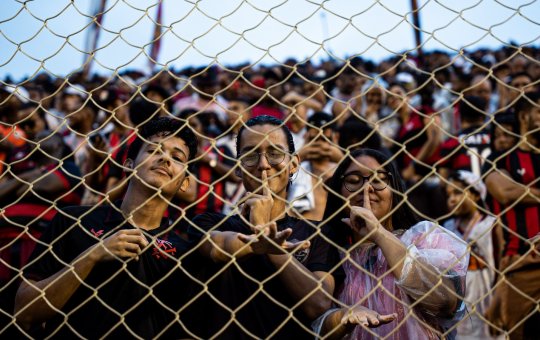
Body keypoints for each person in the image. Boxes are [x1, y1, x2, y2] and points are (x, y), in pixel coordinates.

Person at [14, 117, 201, 338]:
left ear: (185, 183)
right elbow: (24, 312)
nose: (165, 158)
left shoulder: (183, 253)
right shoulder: (74, 220)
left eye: (177, 157)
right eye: (153, 150)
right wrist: (92, 256)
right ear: (129, 164)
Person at [188, 115, 339, 339]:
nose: (263, 165)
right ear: (238, 168)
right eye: (250, 155)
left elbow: (318, 304)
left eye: (275, 154)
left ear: (294, 163)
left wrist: (267, 236)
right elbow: (216, 248)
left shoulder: (317, 233)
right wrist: (262, 236)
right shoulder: (210, 221)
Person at [315, 148, 468, 339]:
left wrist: (379, 233)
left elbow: (446, 302)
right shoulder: (327, 254)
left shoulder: (424, 238)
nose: (366, 188)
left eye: (378, 181)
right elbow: (315, 325)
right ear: (339, 193)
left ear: (394, 190)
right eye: (353, 181)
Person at [482, 92, 540, 339]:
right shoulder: (500, 158)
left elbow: (515, 191)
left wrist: (524, 191)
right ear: (524, 117)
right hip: (521, 263)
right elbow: (504, 192)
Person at [443, 171, 499, 339]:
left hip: (487, 298)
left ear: (475, 195)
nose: (451, 199)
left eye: (458, 192)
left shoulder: (491, 225)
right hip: (458, 303)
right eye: (448, 195)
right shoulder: (448, 226)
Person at [289, 112, 342, 221]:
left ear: (335, 138)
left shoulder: (342, 169)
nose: (319, 145)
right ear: (306, 137)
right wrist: (299, 156)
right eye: (314, 139)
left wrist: (342, 159)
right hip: (298, 231)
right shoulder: (296, 168)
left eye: (325, 139)